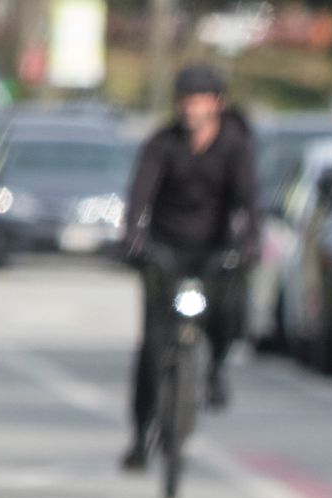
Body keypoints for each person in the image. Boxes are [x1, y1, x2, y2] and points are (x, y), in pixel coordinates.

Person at [120, 63, 258, 471]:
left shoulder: (235, 145)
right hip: (165, 252)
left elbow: (249, 202)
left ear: (216, 103)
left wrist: (249, 243)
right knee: (150, 348)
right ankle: (140, 436)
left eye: (199, 100)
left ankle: (215, 369)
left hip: (212, 252)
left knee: (230, 308)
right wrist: (133, 238)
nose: (191, 109)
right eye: (185, 100)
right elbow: (139, 196)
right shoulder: (161, 144)